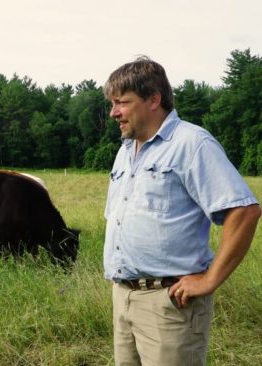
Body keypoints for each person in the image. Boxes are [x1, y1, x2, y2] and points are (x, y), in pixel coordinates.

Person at [103, 56, 260, 365]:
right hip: (123, 297)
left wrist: (209, 279)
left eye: (122, 103)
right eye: (113, 103)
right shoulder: (125, 152)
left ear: (153, 99)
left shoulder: (191, 144)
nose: (114, 113)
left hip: (169, 304)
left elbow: (244, 211)